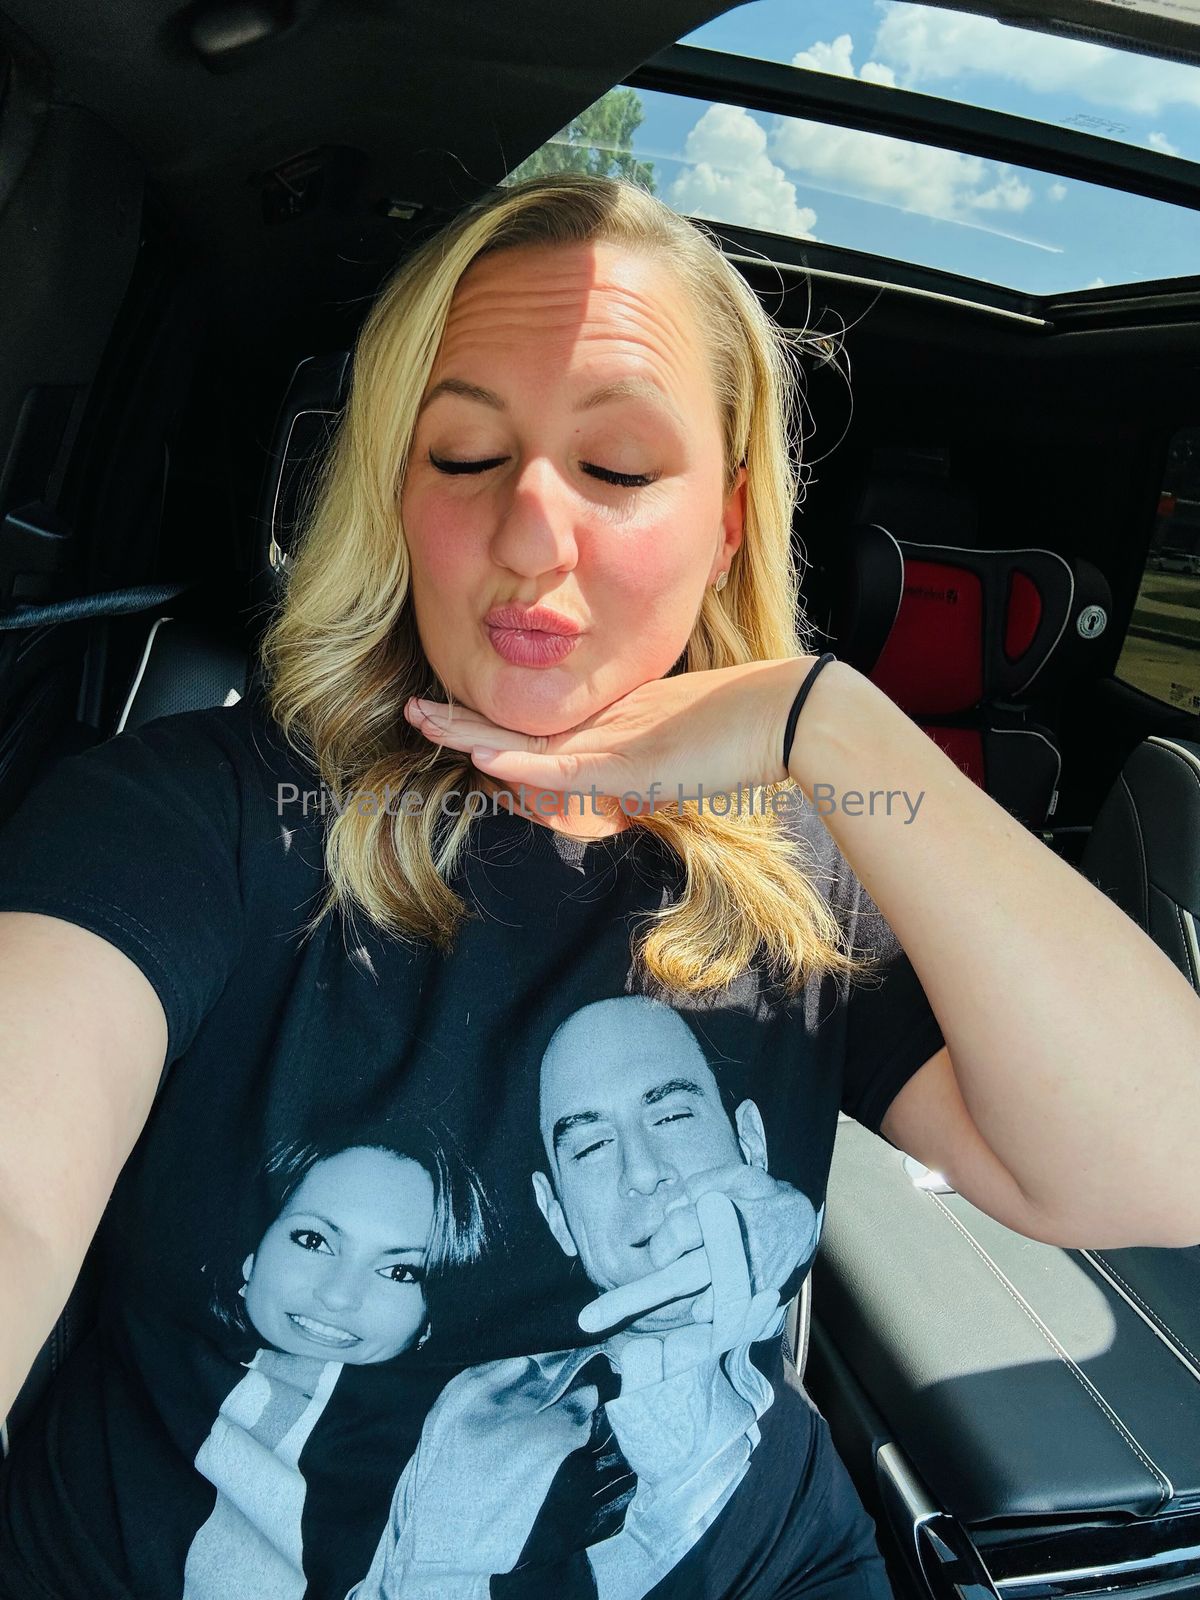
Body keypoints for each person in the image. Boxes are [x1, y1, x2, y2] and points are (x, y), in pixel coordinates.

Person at [1, 170, 1197, 1600]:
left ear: (729, 523)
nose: (531, 532)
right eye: (462, 455)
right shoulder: (190, 820)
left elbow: (1160, 1168)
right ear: (397, 497)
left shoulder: (796, 859)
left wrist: (838, 727)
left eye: (619, 469)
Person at [348, 995, 824, 1599]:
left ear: (749, 1141)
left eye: (672, 1116)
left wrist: (796, 1217)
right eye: (591, 1146)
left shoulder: (779, 1433)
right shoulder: (477, 1407)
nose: (642, 1171)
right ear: (556, 1215)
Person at [182, 1125, 489, 1600]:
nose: (339, 1295)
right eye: (313, 1240)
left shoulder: (450, 1459)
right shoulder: (142, 1379)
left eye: (399, 1271)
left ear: (432, 1318)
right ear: (251, 1253)